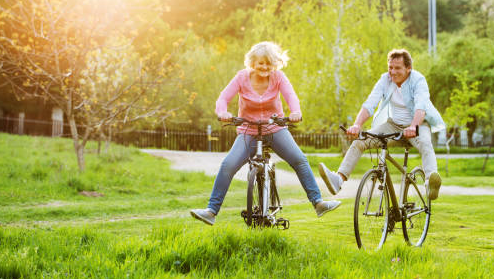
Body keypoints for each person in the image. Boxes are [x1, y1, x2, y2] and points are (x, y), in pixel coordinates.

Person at [191, 41, 340, 225]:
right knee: (228, 164)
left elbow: (291, 96)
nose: (264, 67)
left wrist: (295, 112)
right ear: (252, 62)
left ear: (274, 64)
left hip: (275, 129)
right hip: (248, 131)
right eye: (261, 63)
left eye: (269, 63)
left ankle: (318, 203)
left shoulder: (278, 77)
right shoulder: (241, 77)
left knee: (299, 159)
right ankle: (211, 212)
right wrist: (223, 112)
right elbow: (223, 98)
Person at [319, 48, 445, 200]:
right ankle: (338, 180)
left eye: (397, 68)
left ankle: (430, 182)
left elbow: (421, 106)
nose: (393, 72)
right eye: (390, 67)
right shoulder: (385, 80)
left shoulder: (418, 80)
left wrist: (413, 126)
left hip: (418, 125)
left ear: (408, 68)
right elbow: (370, 103)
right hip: (393, 126)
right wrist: (357, 124)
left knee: (425, 142)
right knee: (360, 141)